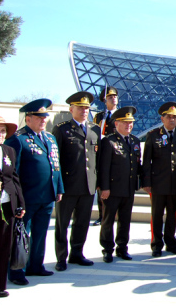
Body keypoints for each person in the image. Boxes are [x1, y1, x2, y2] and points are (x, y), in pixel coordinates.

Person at [6, 99, 64, 286]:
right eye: (39, 117)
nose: (43, 120)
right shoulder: (18, 139)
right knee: (22, 235)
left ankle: (35, 265)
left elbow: (56, 165)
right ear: (28, 118)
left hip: (47, 196)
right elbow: (12, 171)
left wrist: (59, 188)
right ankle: (17, 270)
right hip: (27, 197)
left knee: (40, 234)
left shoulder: (50, 138)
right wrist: (17, 197)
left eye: (45, 117)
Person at [52, 92, 100, 271]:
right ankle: (61, 257)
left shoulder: (94, 129)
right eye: (80, 107)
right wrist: (58, 185)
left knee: (82, 222)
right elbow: (55, 159)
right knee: (62, 223)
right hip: (68, 185)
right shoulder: (62, 129)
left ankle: (77, 253)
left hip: (88, 185)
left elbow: (98, 158)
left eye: (87, 108)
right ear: (71, 109)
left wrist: (99, 183)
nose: (84, 111)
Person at [141, 102, 176, 257]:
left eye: (174, 117)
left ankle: (171, 243)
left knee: (172, 214)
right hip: (158, 183)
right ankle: (156, 244)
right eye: (169, 117)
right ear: (162, 119)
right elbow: (147, 161)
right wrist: (146, 182)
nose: (172, 120)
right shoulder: (153, 135)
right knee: (156, 214)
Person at [0, 116, 25, 301]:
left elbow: (14, 178)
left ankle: (0, 286)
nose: (0, 134)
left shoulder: (8, 150)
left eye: (3, 131)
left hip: (7, 206)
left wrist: (20, 204)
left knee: (3, 247)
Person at [98, 107, 141, 263]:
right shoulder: (108, 141)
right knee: (108, 221)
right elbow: (104, 167)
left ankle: (122, 248)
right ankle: (107, 249)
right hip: (112, 189)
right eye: (125, 123)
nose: (129, 125)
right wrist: (104, 188)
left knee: (125, 220)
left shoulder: (135, 141)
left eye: (131, 123)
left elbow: (137, 165)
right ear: (116, 123)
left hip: (128, 188)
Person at [93, 86, 118, 226]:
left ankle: (113, 215)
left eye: (114, 97)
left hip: (116, 153)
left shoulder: (120, 115)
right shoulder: (99, 116)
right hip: (102, 152)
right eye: (110, 97)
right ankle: (101, 215)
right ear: (104, 100)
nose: (113, 99)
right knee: (101, 185)